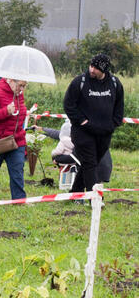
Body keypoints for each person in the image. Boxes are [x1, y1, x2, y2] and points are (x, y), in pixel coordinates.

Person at [63, 53, 125, 193]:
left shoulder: (115, 84)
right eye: (91, 65)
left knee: (89, 164)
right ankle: (95, 199)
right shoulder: (80, 82)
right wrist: (82, 121)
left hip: (104, 133)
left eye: (95, 68)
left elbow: (119, 107)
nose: (91, 69)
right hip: (83, 132)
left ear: (104, 70)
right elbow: (68, 105)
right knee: (90, 163)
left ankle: (75, 193)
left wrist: (113, 124)